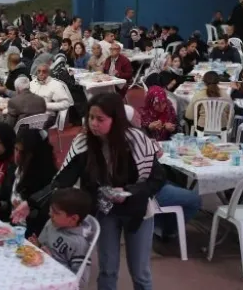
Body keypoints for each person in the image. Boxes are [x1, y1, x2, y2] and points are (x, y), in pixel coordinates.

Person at [49, 93, 165, 290]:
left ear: (116, 119)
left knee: (140, 272)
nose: (93, 124)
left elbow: (158, 178)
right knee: (107, 269)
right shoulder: (85, 143)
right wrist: (32, 202)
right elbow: (62, 180)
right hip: (106, 211)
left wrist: (129, 191)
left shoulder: (137, 141)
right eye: (91, 118)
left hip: (138, 211)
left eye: (100, 119)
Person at [31, 188, 93, 286]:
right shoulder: (51, 223)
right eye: (50, 210)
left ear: (73, 219)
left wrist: (51, 261)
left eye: (56, 213)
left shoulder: (79, 244)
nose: (50, 214)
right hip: (38, 271)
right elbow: (42, 246)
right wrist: (37, 245)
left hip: (56, 283)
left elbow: (81, 281)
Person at [9, 129, 58, 236]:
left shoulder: (43, 180)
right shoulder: (16, 169)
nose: (17, 155)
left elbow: (41, 218)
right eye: (16, 149)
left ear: (35, 155)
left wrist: (29, 209)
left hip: (29, 234)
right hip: (11, 225)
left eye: (22, 152)